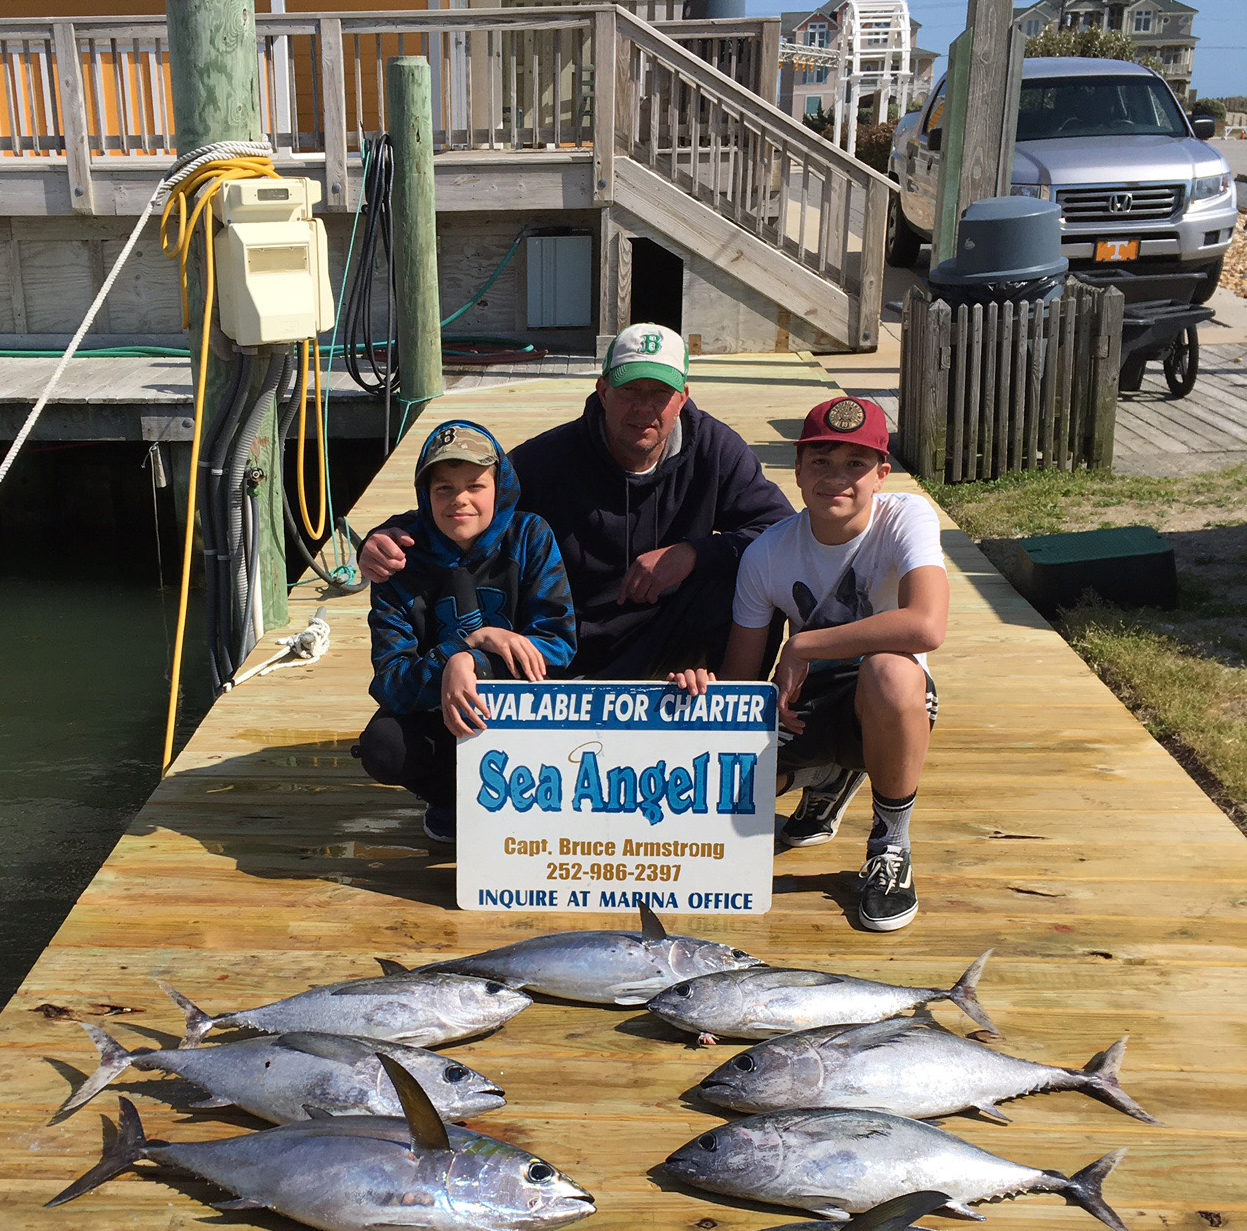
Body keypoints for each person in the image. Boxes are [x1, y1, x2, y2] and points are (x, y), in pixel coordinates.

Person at [358, 324, 792, 677]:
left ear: (683, 398)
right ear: (602, 391)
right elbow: (471, 501)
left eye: (658, 394)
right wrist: (382, 537)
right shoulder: (550, 458)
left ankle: (734, 724)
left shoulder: (716, 448)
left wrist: (694, 552)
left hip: (667, 633)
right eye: (628, 391)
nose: (643, 408)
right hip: (572, 643)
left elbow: (782, 533)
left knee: (759, 577)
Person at [672, 395, 948, 932]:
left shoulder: (907, 516)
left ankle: (891, 843)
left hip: (889, 693)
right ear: (797, 469)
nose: (836, 478)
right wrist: (708, 685)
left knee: (889, 672)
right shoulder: (767, 553)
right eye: (820, 461)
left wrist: (801, 646)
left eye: (855, 464)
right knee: (736, 792)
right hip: (809, 699)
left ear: (881, 474)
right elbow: (741, 679)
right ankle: (828, 776)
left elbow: (926, 626)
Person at [357, 419, 576, 844]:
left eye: (475, 485)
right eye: (443, 488)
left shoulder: (531, 536)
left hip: (523, 717)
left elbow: (559, 645)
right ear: (425, 495)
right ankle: (453, 801)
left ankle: (536, 799)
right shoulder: (398, 561)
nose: (460, 500)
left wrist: (472, 662)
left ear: (501, 486)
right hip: (441, 719)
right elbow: (389, 681)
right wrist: (461, 649)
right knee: (383, 744)